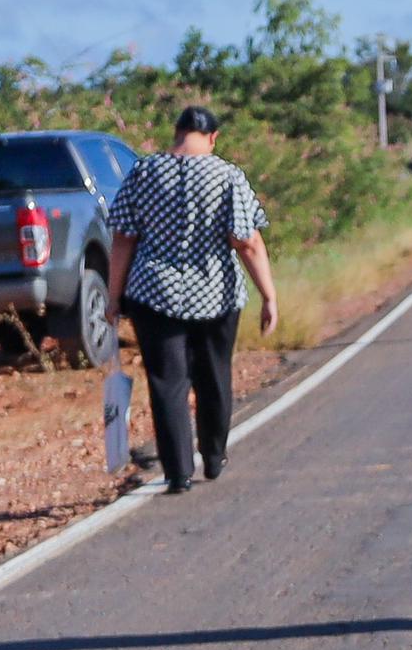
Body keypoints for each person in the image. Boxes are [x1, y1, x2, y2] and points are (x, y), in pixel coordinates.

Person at [103, 105, 280, 491]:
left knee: (168, 383)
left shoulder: (143, 172)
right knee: (215, 375)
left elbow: (122, 238)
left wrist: (113, 298)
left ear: (177, 133)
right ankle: (214, 456)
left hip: (155, 294)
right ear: (213, 138)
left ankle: (178, 471)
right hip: (216, 295)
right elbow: (247, 241)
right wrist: (268, 296)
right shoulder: (227, 175)